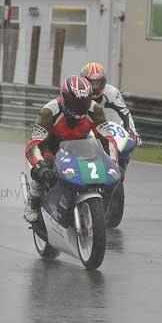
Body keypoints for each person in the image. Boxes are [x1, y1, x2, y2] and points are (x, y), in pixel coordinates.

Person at [23, 75, 119, 223]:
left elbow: (108, 139)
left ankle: (95, 207)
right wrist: (40, 166)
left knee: (102, 172)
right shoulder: (49, 111)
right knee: (38, 173)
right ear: (64, 99)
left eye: (83, 103)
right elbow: (34, 144)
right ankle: (33, 203)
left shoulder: (95, 110)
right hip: (51, 149)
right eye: (75, 103)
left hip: (80, 146)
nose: (79, 108)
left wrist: (113, 162)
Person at [79, 62, 141, 148]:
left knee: (125, 150)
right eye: (91, 83)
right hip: (87, 129)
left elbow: (125, 112)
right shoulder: (79, 94)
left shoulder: (112, 92)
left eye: (97, 83)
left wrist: (132, 131)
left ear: (103, 81)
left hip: (112, 129)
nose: (95, 87)